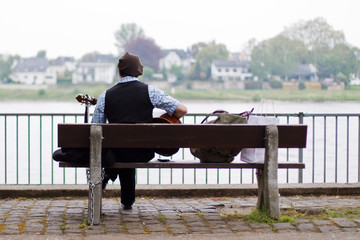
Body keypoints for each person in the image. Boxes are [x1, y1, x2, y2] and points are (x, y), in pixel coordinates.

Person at [91, 52, 187, 210]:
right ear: (139, 71)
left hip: (116, 152)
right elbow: (182, 110)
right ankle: (127, 201)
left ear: (119, 71)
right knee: (130, 152)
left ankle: (109, 175)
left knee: (120, 151)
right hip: (143, 151)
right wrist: (165, 116)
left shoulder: (105, 96)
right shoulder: (151, 91)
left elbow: (96, 128)